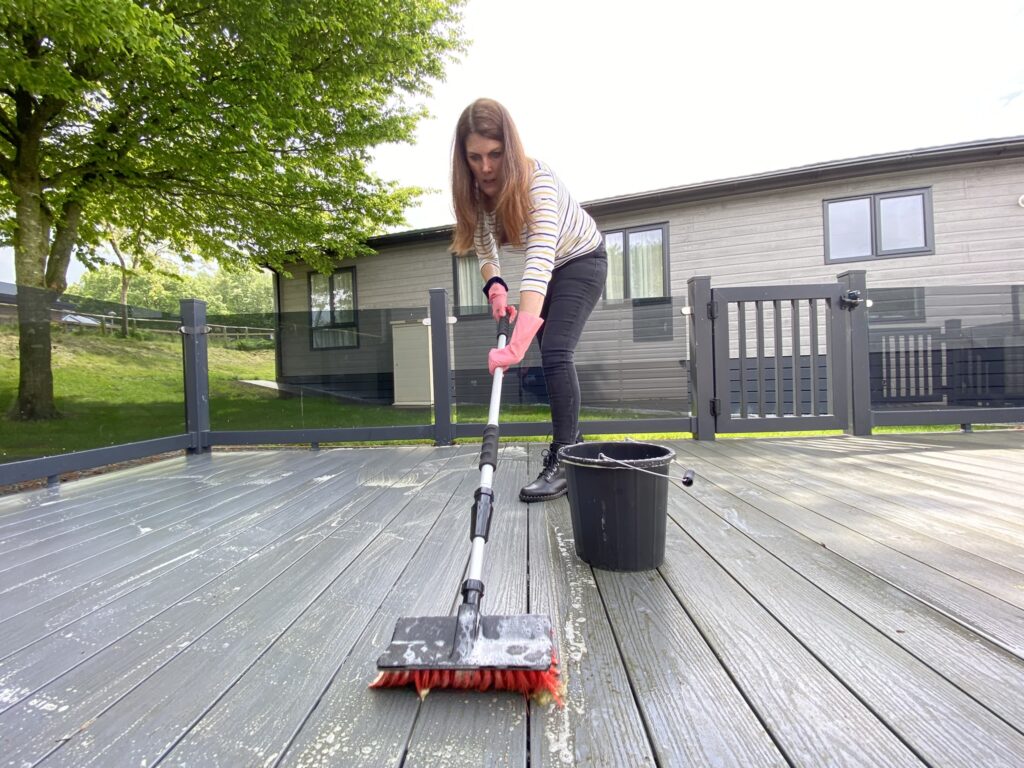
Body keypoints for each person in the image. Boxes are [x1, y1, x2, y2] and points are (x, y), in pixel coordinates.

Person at [450, 98, 608, 503]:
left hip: (582, 260)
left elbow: (539, 261)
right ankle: (574, 444)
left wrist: (517, 344)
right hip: (552, 269)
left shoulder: (537, 180)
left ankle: (565, 458)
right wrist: (496, 287)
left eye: (495, 154)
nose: (485, 167)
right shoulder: (479, 190)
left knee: (555, 351)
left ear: (510, 148)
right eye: (475, 157)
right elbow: (485, 249)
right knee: (550, 350)